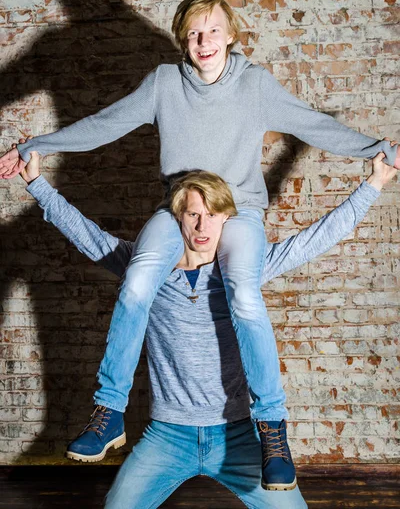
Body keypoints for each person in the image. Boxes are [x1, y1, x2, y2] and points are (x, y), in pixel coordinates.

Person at [2, 0, 399, 488]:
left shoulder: (254, 85)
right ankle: (108, 414)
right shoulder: (165, 84)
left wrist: (378, 151)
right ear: (182, 41)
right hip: (179, 210)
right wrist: (34, 146)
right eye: (192, 33)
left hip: (239, 214)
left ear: (231, 35)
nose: (202, 41)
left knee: (246, 295)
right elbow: (105, 124)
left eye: (212, 30)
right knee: (136, 285)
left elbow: (313, 124)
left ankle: (272, 429)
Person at [19, 147, 396, 505]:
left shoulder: (243, 271)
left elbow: (313, 240)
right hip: (167, 435)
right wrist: (36, 182)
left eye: (213, 215)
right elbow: (86, 235)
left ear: (227, 219)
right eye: (193, 214)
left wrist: (375, 183)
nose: (203, 226)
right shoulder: (147, 269)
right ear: (177, 218)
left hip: (237, 435)